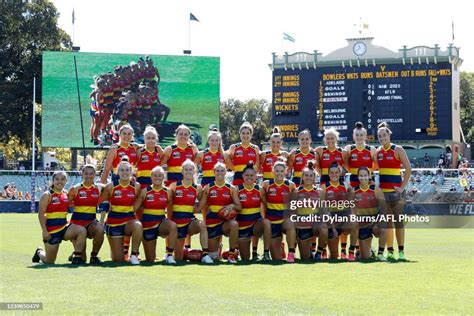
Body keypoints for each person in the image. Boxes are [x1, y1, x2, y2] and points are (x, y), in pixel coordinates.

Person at [100, 124, 140, 260]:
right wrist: (103, 186)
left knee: (131, 215)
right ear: (119, 134)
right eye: (124, 134)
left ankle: (128, 253)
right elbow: (106, 170)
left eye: (129, 134)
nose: (127, 136)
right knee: (115, 212)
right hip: (117, 184)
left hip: (131, 184)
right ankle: (110, 234)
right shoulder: (114, 148)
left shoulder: (135, 148)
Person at [32, 171, 87, 264]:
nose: (60, 182)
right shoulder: (47, 195)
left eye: (62, 179)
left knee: (82, 231)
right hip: (52, 231)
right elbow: (41, 214)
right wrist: (44, 231)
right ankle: (39, 252)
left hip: (65, 228)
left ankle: (77, 256)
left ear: (66, 181)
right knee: (49, 261)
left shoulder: (66, 193)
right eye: (57, 179)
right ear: (52, 181)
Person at [376, 122, 411, 260]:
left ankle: (401, 252)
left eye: (384, 135)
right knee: (387, 224)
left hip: (397, 194)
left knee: (399, 223)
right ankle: (390, 251)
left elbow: (408, 169)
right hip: (383, 195)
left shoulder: (398, 149)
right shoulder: (378, 151)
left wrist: (401, 187)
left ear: (389, 135)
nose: (382, 138)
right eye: (379, 136)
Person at [167, 159, 213, 263]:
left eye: (191, 169)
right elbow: (169, 204)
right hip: (176, 223)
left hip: (190, 221)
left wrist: (198, 208)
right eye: (186, 169)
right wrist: (170, 220)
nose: (188, 172)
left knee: (202, 224)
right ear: (182, 171)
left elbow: (203, 200)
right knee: (178, 258)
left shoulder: (197, 187)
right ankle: (170, 254)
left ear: (194, 171)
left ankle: (205, 254)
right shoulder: (174, 186)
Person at [99, 158, 143, 264]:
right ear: (117, 172)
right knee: (118, 260)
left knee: (138, 225)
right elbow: (100, 201)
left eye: (127, 170)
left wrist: (131, 210)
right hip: (114, 223)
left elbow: (138, 201)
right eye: (122, 170)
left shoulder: (136, 186)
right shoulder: (111, 186)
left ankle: (134, 255)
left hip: (129, 221)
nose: (125, 172)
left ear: (131, 172)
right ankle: (119, 251)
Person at [195, 162, 241, 263]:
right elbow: (200, 206)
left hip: (226, 221)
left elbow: (239, 207)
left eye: (222, 170)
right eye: (217, 171)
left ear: (225, 172)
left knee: (234, 224)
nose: (220, 173)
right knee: (213, 257)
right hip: (212, 220)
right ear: (214, 172)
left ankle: (231, 254)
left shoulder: (231, 188)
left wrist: (232, 206)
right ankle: (219, 249)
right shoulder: (208, 187)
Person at [134, 166, 177, 264]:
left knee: (173, 226)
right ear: (151, 177)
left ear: (163, 177)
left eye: (160, 176)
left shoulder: (168, 192)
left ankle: (169, 255)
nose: (157, 178)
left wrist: (170, 222)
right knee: (150, 260)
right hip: (148, 226)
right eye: (155, 176)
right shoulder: (145, 191)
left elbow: (170, 208)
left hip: (161, 223)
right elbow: (135, 208)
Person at [67, 164, 105, 264]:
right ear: (82, 174)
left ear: (95, 175)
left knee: (100, 229)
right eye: (86, 173)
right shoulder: (75, 189)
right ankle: (75, 253)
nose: (89, 176)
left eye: (91, 173)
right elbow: (67, 204)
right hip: (77, 224)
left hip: (91, 222)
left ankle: (94, 256)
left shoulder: (99, 188)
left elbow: (111, 188)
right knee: (82, 259)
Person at [320, 162, 358, 261]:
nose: (334, 175)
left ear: (340, 173)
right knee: (334, 257)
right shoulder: (324, 187)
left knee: (355, 223)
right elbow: (322, 209)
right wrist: (332, 227)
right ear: (328, 174)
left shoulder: (345, 186)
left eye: (336, 172)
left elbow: (351, 199)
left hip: (343, 220)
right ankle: (324, 250)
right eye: (331, 173)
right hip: (331, 221)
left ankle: (351, 251)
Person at [349, 167, 388, 261]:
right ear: (358, 177)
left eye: (365, 175)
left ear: (369, 176)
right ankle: (353, 252)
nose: (363, 178)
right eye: (361, 176)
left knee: (384, 227)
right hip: (361, 224)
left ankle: (380, 254)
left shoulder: (376, 189)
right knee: (365, 257)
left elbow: (384, 207)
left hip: (373, 223)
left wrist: (380, 219)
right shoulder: (353, 191)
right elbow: (350, 209)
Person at [236, 162, 272, 261]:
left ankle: (265, 253)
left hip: (256, 225)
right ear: (243, 176)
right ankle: (237, 250)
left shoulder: (259, 189)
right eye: (247, 175)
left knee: (267, 223)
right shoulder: (237, 189)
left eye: (252, 175)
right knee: (245, 258)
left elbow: (266, 205)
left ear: (256, 176)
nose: (249, 177)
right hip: (242, 226)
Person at [261, 160, 296, 262]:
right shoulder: (266, 184)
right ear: (273, 172)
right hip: (272, 221)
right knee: (276, 258)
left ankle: (291, 252)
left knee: (290, 223)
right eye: (277, 171)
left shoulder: (290, 185)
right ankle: (280, 246)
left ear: (286, 172)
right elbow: (263, 201)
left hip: (285, 221)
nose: (279, 173)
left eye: (281, 171)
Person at [294, 161, 328, 260]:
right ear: (302, 177)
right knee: (305, 258)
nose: (308, 178)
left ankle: (319, 253)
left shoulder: (319, 192)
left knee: (324, 227)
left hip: (315, 225)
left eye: (311, 176)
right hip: (302, 226)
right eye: (306, 175)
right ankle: (309, 252)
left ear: (314, 177)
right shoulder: (296, 191)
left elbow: (324, 210)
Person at [226, 122, 260, 187]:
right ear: (240, 134)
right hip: (237, 178)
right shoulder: (234, 147)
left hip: (251, 179)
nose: (245, 136)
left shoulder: (255, 148)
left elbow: (257, 166)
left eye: (248, 133)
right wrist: (235, 170)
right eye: (243, 133)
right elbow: (226, 159)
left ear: (251, 134)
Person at [343, 122, 377, 188]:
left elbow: (376, 164)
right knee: (353, 197)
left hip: (368, 179)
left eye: (361, 135)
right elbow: (345, 163)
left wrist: (368, 173)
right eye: (357, 135)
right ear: (353, 136)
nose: (359, 137)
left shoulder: (371, 149)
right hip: (353, 178)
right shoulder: (348, 148)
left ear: (365, 136)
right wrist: (351, 171)